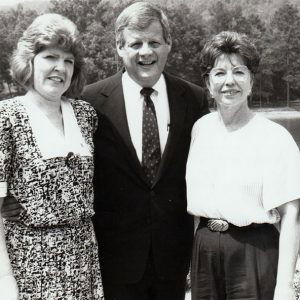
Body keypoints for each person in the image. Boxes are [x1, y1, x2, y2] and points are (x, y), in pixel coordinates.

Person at [82, 2, 209, 299]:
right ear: (119, 48)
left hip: (173, 258)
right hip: (115, 258)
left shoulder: (193, 98)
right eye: (135, 43)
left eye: (154, 42)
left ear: (168, 45)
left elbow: (211, 165)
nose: (145, 52)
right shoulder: (90, 101)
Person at [186, 31, 300, 300]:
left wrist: (285, 286)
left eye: (239, 72)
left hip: (254, 252)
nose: (229, 82)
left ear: (251, 81)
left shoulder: (274, 136)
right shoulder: (200, 129)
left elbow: (292, 215)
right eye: (219, 73)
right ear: (207, 83)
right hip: (205, 251)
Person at [0, 13, 104, 299]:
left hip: (83, 260)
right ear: (29, 61)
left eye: (68, 60)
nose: (60, 68)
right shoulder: (7, 118)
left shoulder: (85, 116)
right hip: (31, 266)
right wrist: (4, 280)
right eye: (50, 57)